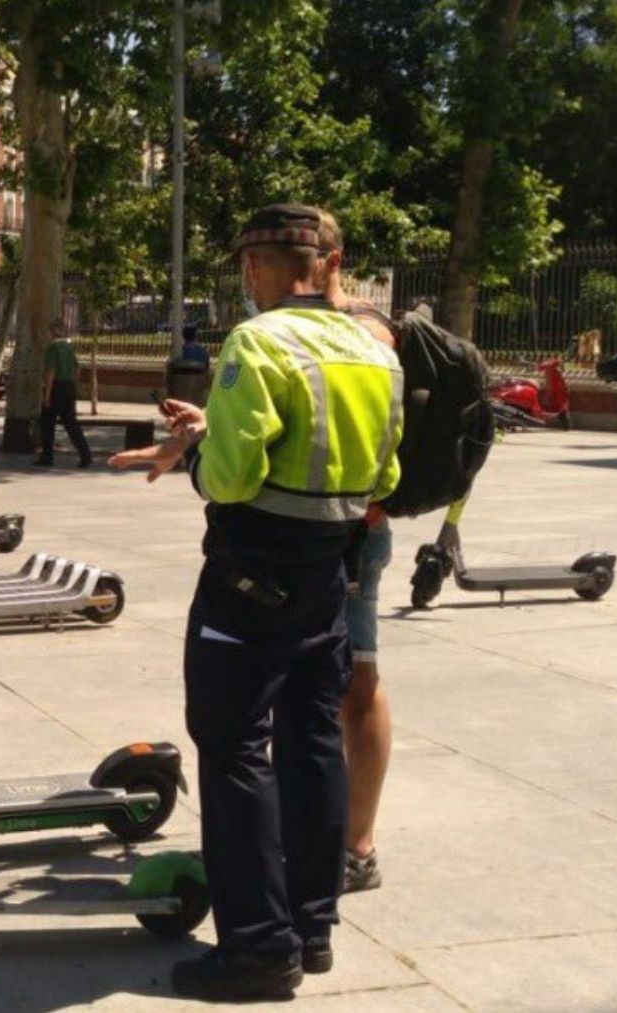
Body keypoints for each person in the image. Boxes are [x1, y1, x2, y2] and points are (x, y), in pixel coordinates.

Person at [110, 204, 403, 1001]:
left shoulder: (258, 340)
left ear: (254, 267)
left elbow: (234, 478)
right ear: (331, 265)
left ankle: (256, 947)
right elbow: (386, 477)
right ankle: (312, 928)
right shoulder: (375, 351)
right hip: (325, 579)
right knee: (311, 741)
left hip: (248, 581)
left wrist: (203, 449)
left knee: (235, 748)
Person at [318, 217, 397, 895]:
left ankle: (356, 844)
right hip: (311, 528)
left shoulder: (366, 331)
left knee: (356, 679)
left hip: (351, 532)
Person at [36, 321, 92, 468]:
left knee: (47, 422)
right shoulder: (69, 348)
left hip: (56, 387)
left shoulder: (52, 348)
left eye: (49, 331)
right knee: (71, 423)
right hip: (69, 385)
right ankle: (85, 454)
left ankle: (47, 456)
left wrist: (47, 395)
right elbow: (77, 369)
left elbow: (50, 372)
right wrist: (74, 386)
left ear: (53, 332)